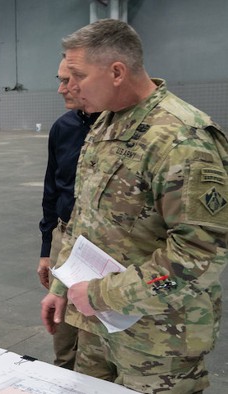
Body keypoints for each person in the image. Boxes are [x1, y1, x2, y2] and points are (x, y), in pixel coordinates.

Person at [40, 19, 228, 393]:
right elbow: (85, 219)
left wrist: (100, 295)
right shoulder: (106, 123)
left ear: (116, 72)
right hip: (99, 327)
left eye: (77, 75)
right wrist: (62, 286)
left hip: (159, 340)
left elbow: (198, 256)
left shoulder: (182, 138)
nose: (68, 87)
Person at [37, 57, 100, 370]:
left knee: (98, 337)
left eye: (69, 80)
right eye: (60, 79)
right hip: (66, 237)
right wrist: (47, 249)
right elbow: (52, 189)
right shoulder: (63, 127)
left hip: (105, 245)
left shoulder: (117, 127)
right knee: (63, 333)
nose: (62, 89)